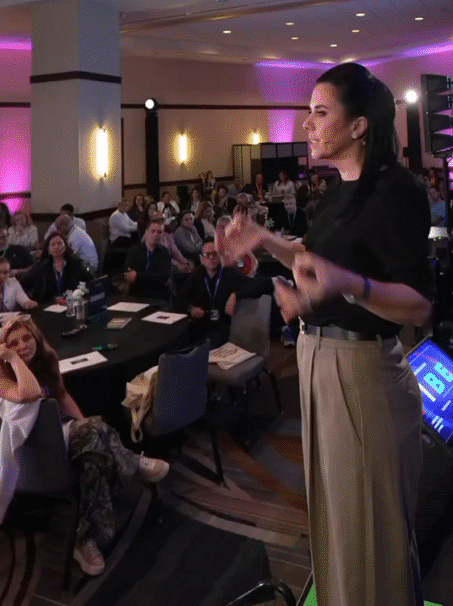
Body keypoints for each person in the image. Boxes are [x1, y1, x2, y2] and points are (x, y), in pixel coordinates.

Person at [218, 62, 434, 606]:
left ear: (359, 125)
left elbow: (419, 305)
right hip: (318, 363)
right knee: (337, 523)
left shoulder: (396, 190)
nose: (307, 124)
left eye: (320, 112)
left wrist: (351, 286)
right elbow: (315, 262)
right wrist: (264, 239)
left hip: (363, 374)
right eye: (308, 112)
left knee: (370, 534)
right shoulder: (337, 192)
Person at [0, 317, 169, 577]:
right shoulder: (0, 378)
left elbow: (62, 396)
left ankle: (85, 540)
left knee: (94, 453)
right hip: (35, 449)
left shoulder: (47, 360)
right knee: (95, 431)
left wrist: (87, 428)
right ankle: (133, 461)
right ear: (4, 349)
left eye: (27, 338)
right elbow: (28, 393)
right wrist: (12, 358)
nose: (22, 345)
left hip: (65, 432)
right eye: (14, 343)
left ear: (36, 337)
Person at [174, 240, 274, 348]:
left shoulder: (230, 273)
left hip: (220, 327)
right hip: (198, 325)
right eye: (207, 255)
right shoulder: (196, 275)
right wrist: (191, 309)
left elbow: (266, 284)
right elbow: (179, 300)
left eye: (214, 254)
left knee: (205, 348)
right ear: (202, 259)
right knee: (176, 345)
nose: (211, 258)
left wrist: (236, 295)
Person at [21, 232, 91, 304]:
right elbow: (22, 283)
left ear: (65, 247)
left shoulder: (75, 264)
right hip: (48, 306)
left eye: (59, 243)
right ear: (48, 249)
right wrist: (28, 301)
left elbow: (90, 282)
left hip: (71, 303)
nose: (56, 246)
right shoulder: (40, 267)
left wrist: (80, 296)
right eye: (53, 244)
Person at [124, 220, 171, 298]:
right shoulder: (133, 251)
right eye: (152, 231)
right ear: (146, 232)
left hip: (158, 294)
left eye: (159, 232)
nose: (156, 234)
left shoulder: (164, 252)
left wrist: (138, 276)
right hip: (137, 293)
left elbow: (163, 277)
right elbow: (129, 276)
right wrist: (151, 277)